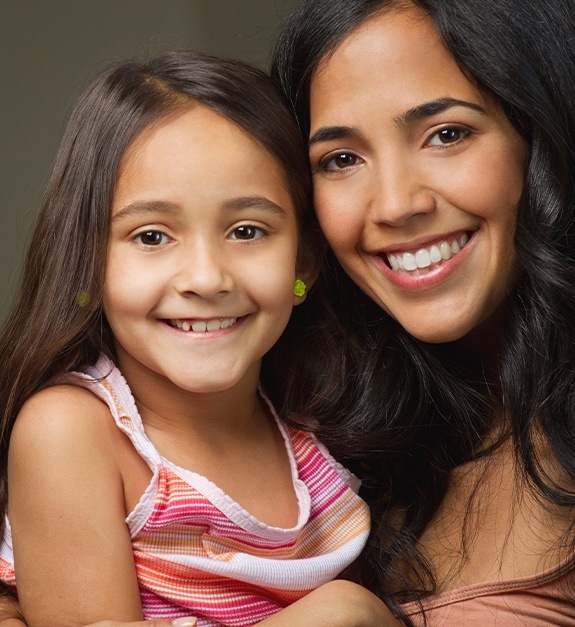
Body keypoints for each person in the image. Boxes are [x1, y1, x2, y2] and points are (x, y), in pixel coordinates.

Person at [0, 51, 400, 627]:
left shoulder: (320, 432)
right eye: (152, 235)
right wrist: (342, 613)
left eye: (246, 230)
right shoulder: (73, 432)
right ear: (87, 261)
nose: (207, 278)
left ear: (305, 263)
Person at [269, 0, 575, 624]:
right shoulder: (301, 412)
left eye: (447, 134)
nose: (395, 205)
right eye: (341, 159)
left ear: (540, 138)